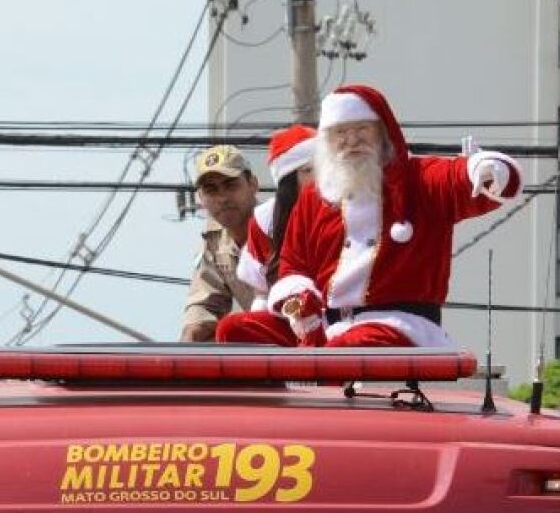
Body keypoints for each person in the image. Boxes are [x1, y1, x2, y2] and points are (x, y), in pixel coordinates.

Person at [217, 84, 523, 348]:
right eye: (340, 134)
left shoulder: (419, 179)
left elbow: (460, 178)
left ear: (382, 132)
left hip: (398, 325)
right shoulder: (315, 197)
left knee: (343, 352)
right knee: (235, 330)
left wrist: (485, 169)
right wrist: (299, 301)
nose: (351, 142)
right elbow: (293, 265)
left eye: (361, 130)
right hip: (326, 323)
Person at [180, 145, 259, 342]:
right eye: (211, 190)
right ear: (200, 198)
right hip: (267, 344)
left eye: (231, 185)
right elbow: (204, 307)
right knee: (204, 339)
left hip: (309, 338)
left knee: (233, 330)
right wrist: (186, 347)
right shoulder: (214, 240)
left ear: (253, 184)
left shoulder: (279, 226)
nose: (222, 198)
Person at [234, 124, 317, 311]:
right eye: (308, 170)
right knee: (232, 328)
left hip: (332, 313)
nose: (319, 177)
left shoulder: (339, 209)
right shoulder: (265, 222)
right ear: (288, 180)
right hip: (286, 313)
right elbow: (261, 292)